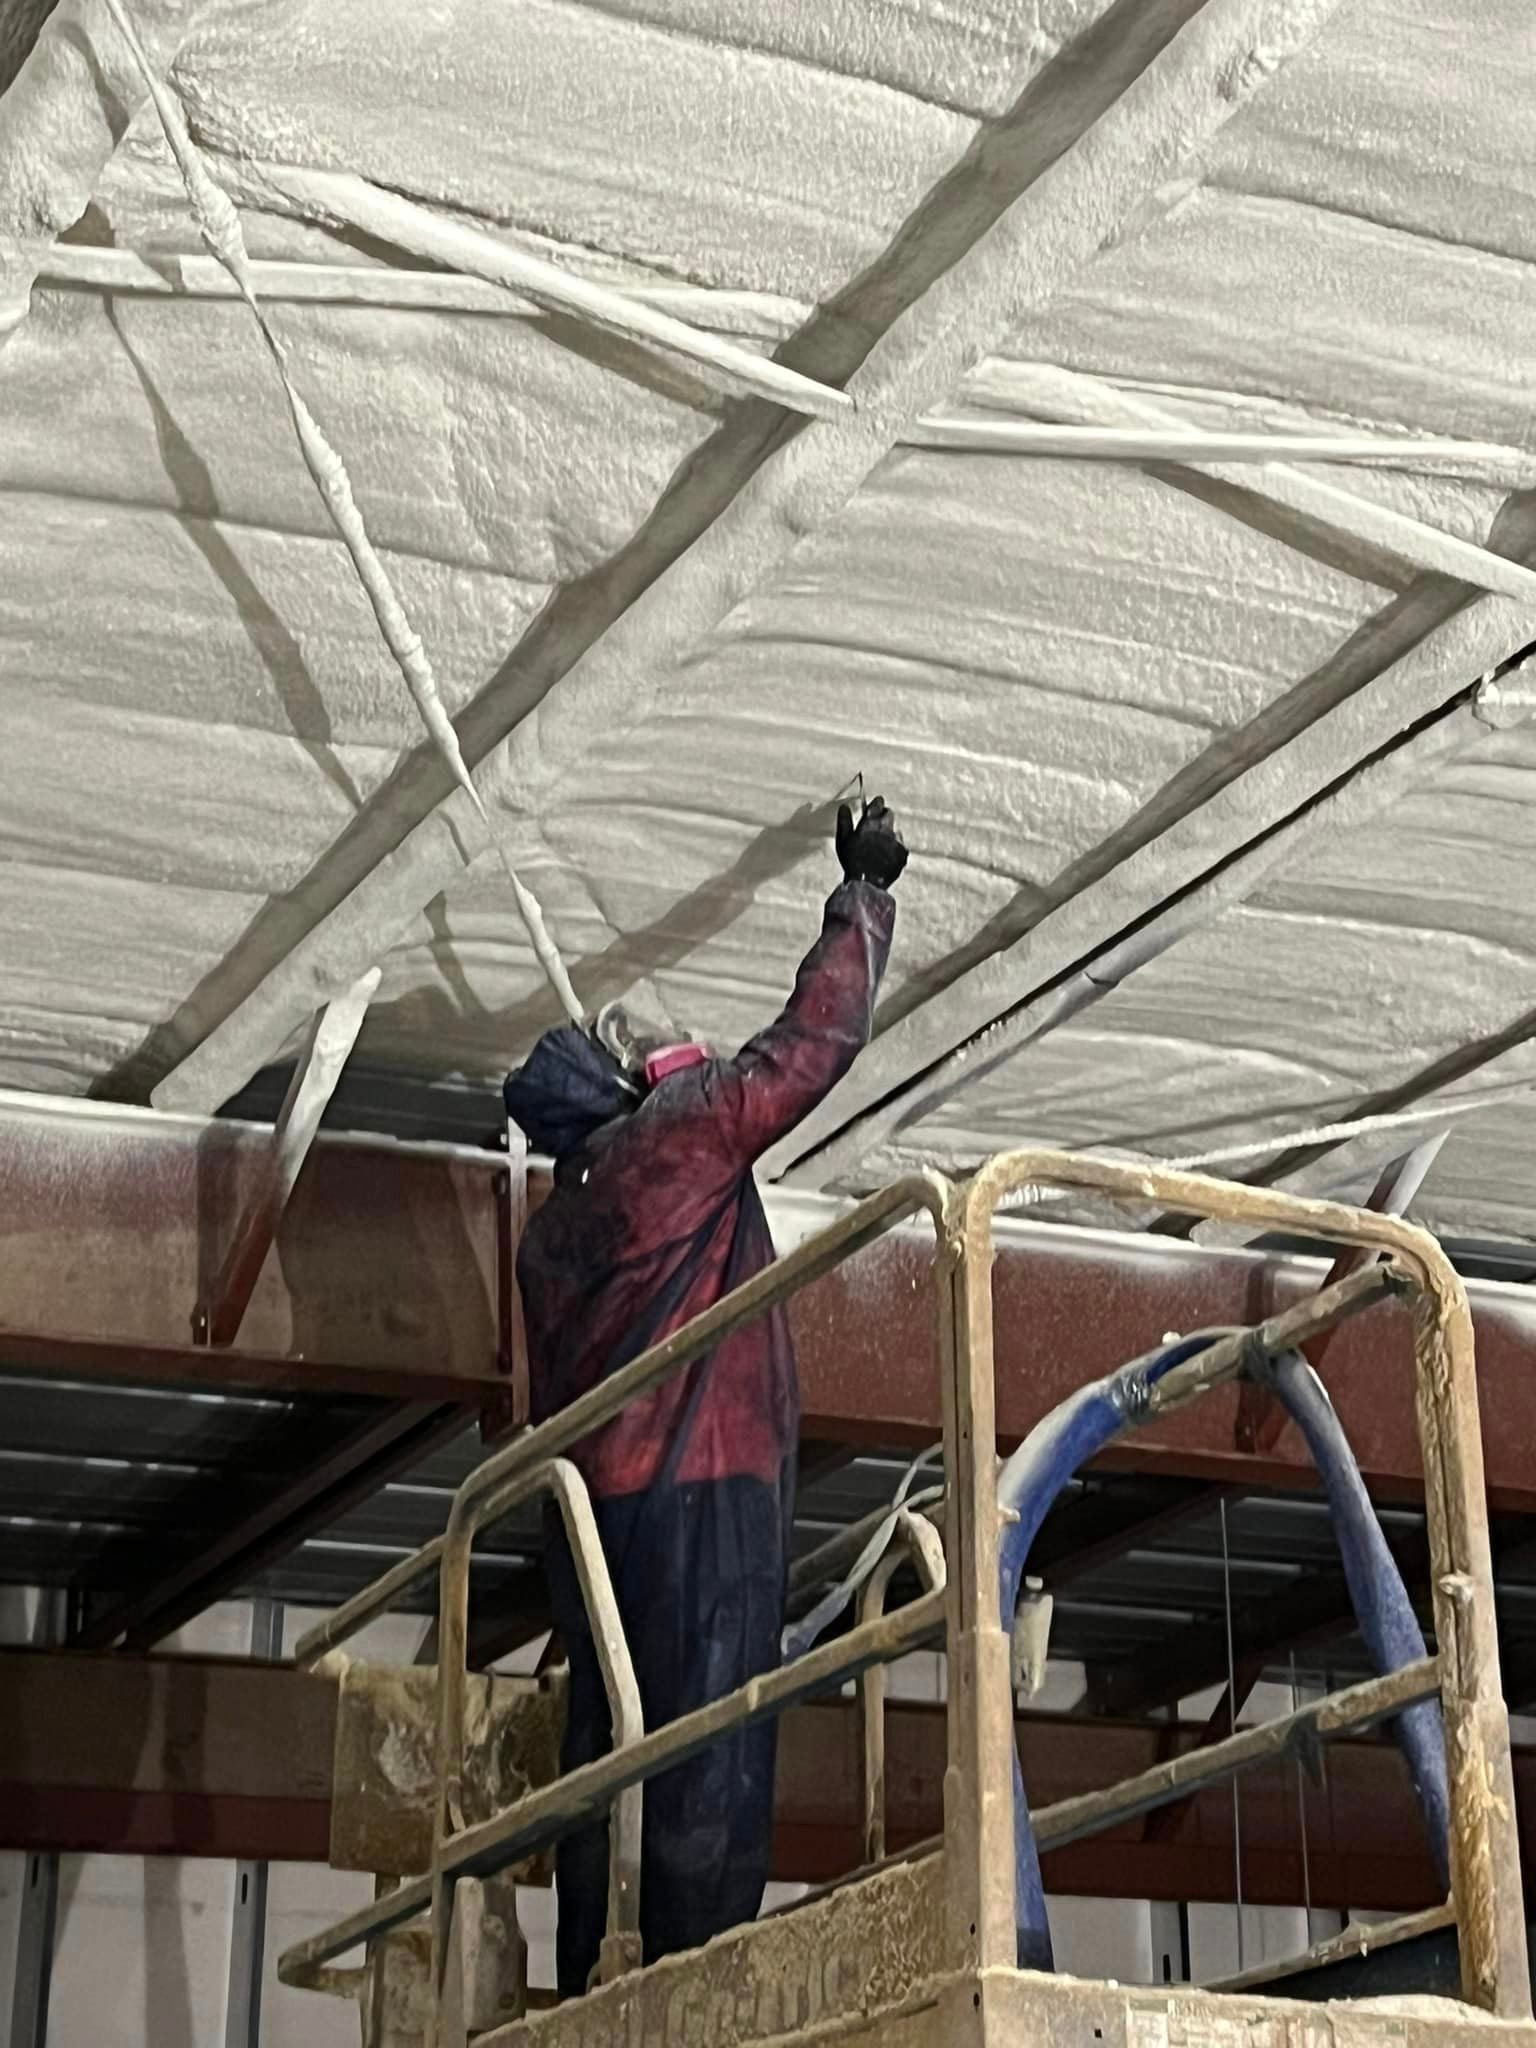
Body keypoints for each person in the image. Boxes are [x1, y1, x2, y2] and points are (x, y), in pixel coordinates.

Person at [504, 795, 908, 1997]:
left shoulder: (550, 1232)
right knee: (710, 1741)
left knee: (610, 1740)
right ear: (617, 1085)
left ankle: (597, 1979)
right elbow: (807, 1047)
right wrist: (864, 893)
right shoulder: (673, 1141)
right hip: (706, 1485)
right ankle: (696, 1987)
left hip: (599, 1517)